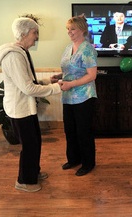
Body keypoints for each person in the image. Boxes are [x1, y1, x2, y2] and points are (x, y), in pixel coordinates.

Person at [0, 17, 61, 192]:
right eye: (35, 33)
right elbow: (28, 88)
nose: (36, 37)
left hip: (27, 107)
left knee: (35, 141)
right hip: (20, 108)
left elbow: (27, 81)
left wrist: (49, 80)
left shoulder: (21, 52)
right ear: (25, 33)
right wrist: (56, 88)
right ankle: (24, 181)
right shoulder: (13, 56)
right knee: (29, 145)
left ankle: (33, 172)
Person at [51, 15, 98, 177]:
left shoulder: (88, 49)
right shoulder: (67, 48)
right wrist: (59, 76)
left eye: (72, 29)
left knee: (83, 132)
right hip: (68, 97)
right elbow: (68, 70)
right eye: (68, 29)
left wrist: (71, 84)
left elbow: (92, 75)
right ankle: (74, 159)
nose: (69, 32)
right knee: (70, 130)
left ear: (82, 30)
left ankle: (88, 163)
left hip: (84, 97)